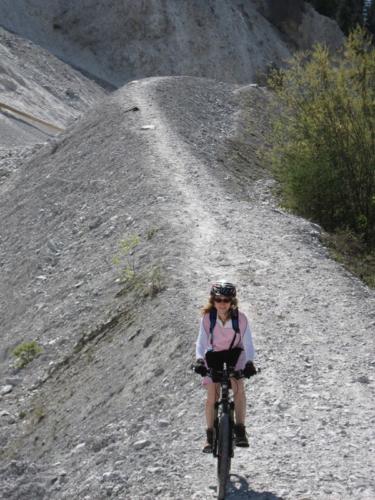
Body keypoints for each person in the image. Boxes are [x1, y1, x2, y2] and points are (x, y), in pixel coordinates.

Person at [194, 281, 256, 452]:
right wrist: (199, 360)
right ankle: (209, 436)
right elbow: (201, 342)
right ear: (213, 301)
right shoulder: (208, 318)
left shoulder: (240, 319)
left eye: (226, 300)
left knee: (238, 387)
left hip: (235, 353)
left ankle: (240, 430)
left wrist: (250, 363)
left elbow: (249, 344)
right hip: (213, 354)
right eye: (218, 299)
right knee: (212, 395)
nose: (222, 303)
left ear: (232, 301)